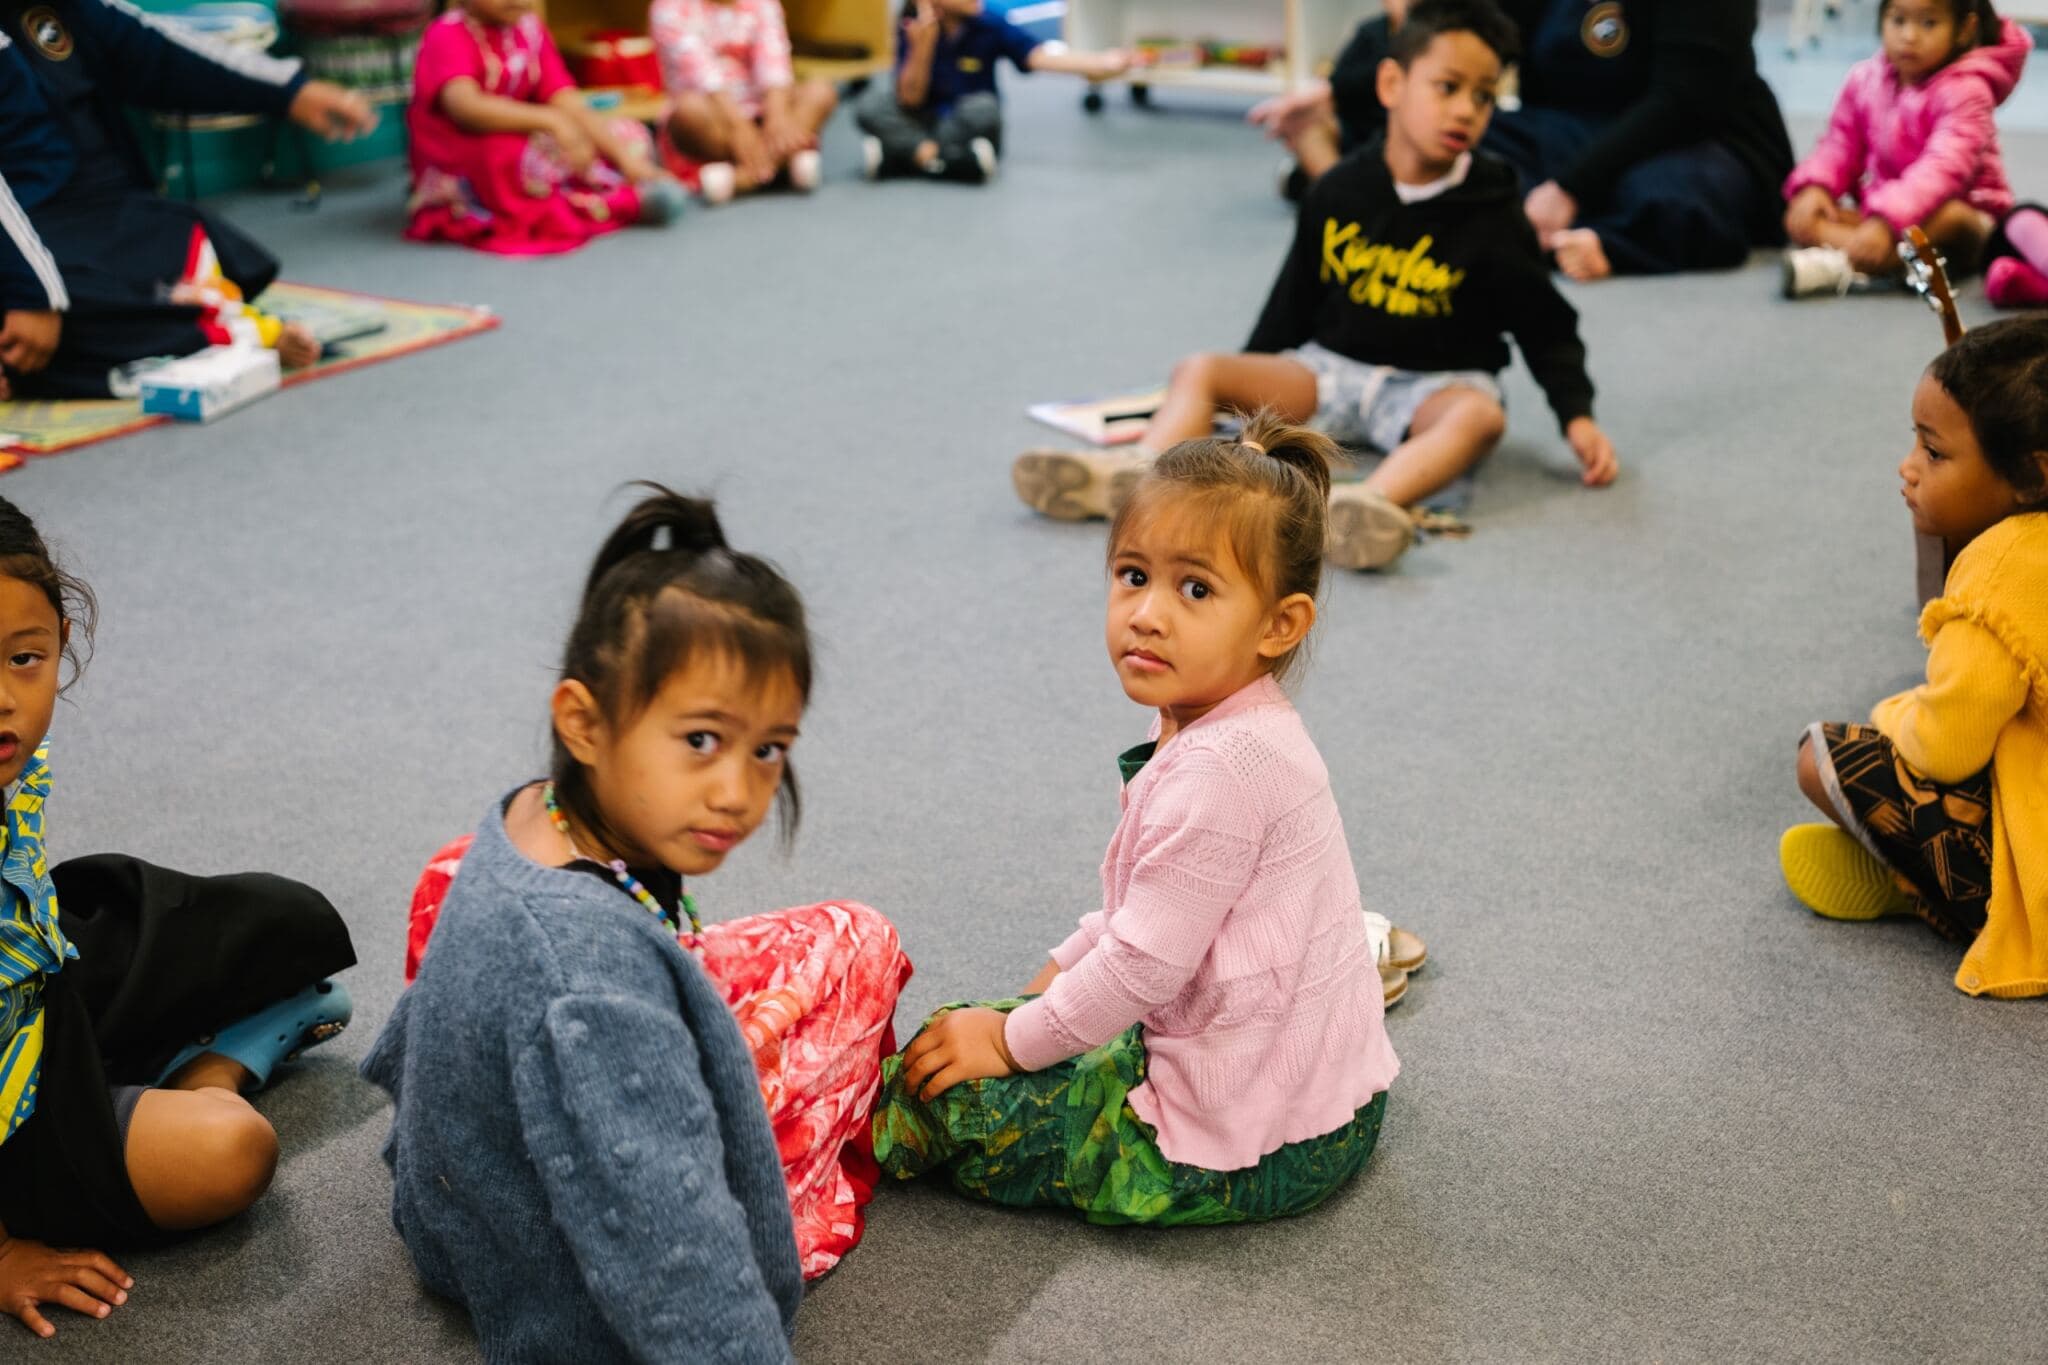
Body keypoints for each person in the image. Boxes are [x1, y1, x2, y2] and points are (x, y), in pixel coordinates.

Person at [363, 487, 910, 1358]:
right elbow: (675, 1258)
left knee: (842, 941)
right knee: (861, 947)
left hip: (463, 1210)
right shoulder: (594, 988)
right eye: (701, 739)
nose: (739, 792)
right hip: (567, 1294)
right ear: (582, 721)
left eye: (768, 749)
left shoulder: (527, 819)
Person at [876, 415, 1399, 1225]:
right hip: (1314, 1091)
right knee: (989, 1034)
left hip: (1258, 1144)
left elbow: (1139, 970)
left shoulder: (1221, 772)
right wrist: (1035, 998)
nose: (1148, 613)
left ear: (1279, 625)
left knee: (940, 1101)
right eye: (1131, 575)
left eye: (1195, 589)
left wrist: (1012, 1041)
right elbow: (1139, 918)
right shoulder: (1218, 720)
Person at [1012, 0, 1617, 574]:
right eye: (1448, 87)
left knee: (1481, 417)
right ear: (1391, 86)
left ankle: (1362, 508)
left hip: (1434, 386)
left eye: (1484, 98)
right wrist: (1249, 384)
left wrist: (1577, 416)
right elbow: (1292, 301)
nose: (1465, 111)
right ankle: (1138, 476)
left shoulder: (1494, 209)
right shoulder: (1338, 191)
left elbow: (1546, 325)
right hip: (1331, 369)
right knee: (1200, 369)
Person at [0, 497, 355, 1340]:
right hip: (21, 1129)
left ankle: (167, 1048)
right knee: (231, 1152)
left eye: (25, 658)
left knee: (276, 919)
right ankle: (208, 1069)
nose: (3, 700)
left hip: (32, 995)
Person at [1782, 317, 2048, 998]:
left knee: (1822, 755)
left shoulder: (1999, 570)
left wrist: (1894, 710)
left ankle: (1940, 896)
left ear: (2032, 474)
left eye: (1933, 452)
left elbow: (1945, 747)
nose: (1908, 467)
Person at [0, 0, 376, 399]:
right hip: (24, 247)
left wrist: (291, 92)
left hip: (102, 220)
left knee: (192, 237)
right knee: (65, 307)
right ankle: (222, 330)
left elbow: (159, 53)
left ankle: (184, 324)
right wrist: (34, 293)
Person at [1483, 0, 1795, 280]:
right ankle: (1546, 227)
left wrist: (1569, 189)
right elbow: (1489, 37)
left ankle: (1607, 243)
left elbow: (1684, 100)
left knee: (1676, 195)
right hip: (1572, 127)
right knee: (1465, 142)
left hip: (1694, 137)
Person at [1782, 0, 2028, 299]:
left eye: (1928, 23)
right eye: (1898, 20)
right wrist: (1816, 187)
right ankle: (1872, 255)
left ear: (1965, 30)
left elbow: (1941, 171)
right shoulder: (1865, 79)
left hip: (1966, 218)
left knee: (1951, 216)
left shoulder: (1967, 91)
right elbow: (1839, 144)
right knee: (1807, 216)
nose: (1909, 36)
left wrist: (1887, 222)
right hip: (1892, 211)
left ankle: (1845, 260)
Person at [404, 0, 685, 254]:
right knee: (515, 158)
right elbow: (466, 109)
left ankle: (613, 187)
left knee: (628, 133)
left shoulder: (530, 30)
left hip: (526, 132)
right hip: (469, 146)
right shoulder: (447, 33)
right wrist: (551, 121)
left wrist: (626, 160)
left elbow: (565, 98)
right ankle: (612, 203)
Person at [854, 0, 1131, 184]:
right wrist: (922, 47)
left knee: (984, 108)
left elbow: (1039, 57)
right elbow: (909, 99)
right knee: (870, 105)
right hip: (924, 119)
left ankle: (906, 157)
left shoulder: (989, 22)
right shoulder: (912, 27)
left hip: (963, 123)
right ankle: (951, 162)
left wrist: (1103, 63)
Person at [649, 0, 834, 203]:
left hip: (763, 111)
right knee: (688, 111)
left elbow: (774, 59)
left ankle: (742, 178)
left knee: (820, 91)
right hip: (715, 114)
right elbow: (702, 75)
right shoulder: (669, 7)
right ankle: (783, 163)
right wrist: (738, 125)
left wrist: (778, 115)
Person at [1248, 2, 1402, 199]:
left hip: (1394, 137)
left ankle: (1332, 190)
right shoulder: (1370, 33)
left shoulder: (1431, 40)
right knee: (1306, 125)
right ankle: (1340, 196)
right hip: (1356, 132)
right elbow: (1338, 82)